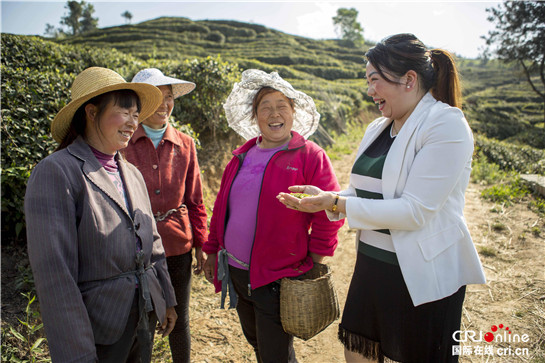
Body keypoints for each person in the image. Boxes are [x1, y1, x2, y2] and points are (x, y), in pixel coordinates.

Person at [277, 33, 487, 363]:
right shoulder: (378, 127)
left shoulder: (446, 124)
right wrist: (329, 197)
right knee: (358, 350)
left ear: (409, 79)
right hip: (373, 265)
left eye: (375, 80)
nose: (370, 90)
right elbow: (369, 194)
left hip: (421, 275)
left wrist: (337, 204)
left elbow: (415, 211)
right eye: (368, 81)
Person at [24, 66, 178, 363]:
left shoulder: (130, 172)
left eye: (136, 115)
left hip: (142, 314)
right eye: (124, 112)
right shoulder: (57, 171)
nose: (133, 123)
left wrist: (167, 300)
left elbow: (153, 243)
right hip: (98, 324)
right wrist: (76, 353)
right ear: (92, 112)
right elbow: (56, 276)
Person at [202, 69, 344, 363]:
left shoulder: (310, 156)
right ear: (255, 117)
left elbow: (330, 213)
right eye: (265, 107)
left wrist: (315, 260)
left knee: (275, 353)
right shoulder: (241, 156)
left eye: (282, 106)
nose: (274, 113)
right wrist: (212, 249)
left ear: (294, 113)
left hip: (280, 276)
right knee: (257, 343)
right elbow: (222, 208)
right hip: (238, 273)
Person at [123, 68, 209, 363]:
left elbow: (195, 199)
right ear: (140, 103)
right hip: (137, 246)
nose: (164, 104)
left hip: (177, 244)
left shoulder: (185, 144)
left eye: (169, 97)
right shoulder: (122, 144)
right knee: (143, 320)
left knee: (180, 318)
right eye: (155, 98)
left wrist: (201, 244)